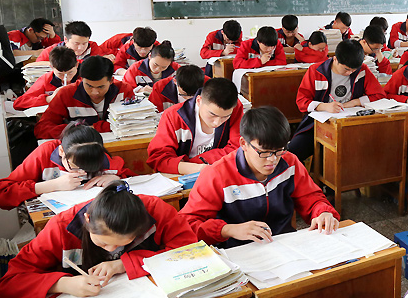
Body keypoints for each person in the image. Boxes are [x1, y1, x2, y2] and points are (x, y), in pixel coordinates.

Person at [0, 181, 196, 298]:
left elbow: (191, 252)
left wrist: (124, 264)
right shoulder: (61, 227)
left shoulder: (155, 211)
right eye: (103, 243)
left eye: (125, 242)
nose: (113, 249)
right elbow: (9, 283)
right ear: (87, 219)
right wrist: (62, 284)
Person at [181, 107, 340, 248]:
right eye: (264, 152)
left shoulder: (289, 162)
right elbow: (187, 224)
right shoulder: (217, 174)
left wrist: (323, 212)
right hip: (237, 251)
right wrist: (228, 229)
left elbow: (312, 198)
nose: (273, 160)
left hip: (284, 245)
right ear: (243, 143)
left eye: (279, 150)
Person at [287, 40, 385, 161]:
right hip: (317, 124)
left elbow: (379, 95)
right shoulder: (316, 70)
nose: (349, 73)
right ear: (335, 59)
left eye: (353, 70)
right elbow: (301, 101)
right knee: (292, 153)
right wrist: (324, 106)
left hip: (351, 123)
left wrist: (355, 102)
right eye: (346, 69)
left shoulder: (362, 70)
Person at [0, 124, 130, 211]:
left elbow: (133, 179)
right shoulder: (46, 153)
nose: (82, 172)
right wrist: (52, 185)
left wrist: (117, 178)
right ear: (61, 152)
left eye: (89, 168)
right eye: (75, 167)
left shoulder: (99, 156)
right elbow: (2, 195)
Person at [147, 78, 243, 175]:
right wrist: (196, 167)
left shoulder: (235, 109)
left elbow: (238, 148)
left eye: (225, 117)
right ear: (199, 101)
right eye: (212, 114)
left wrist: (195, 163)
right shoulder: (173, 116)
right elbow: (158, 158)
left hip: (219, 173)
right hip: (182, 176)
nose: (217, 122)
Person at [35, 56, 132, 139]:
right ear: (81, 79)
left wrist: (95, 128)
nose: (95, 92)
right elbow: (42, 128)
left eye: (100, 87)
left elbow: (133, 122)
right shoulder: (66, 94)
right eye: (89, 86)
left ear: (111, 81)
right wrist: (79, 131)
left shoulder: (124, 91)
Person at [13, 46, 78, 110]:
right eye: (60, 74)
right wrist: (48, 99)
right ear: (51, 68)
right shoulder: (47, 79)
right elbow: (18, 103)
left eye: (70, 73)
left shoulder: (83, 77)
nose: (65, 78)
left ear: (77, 65)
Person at [36, 20, 101, 62]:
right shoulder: (51, 51)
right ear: (66, 40)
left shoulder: (92, 46)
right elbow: (35, 66)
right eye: (76, 43)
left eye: (84, 43)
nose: (80, 48)